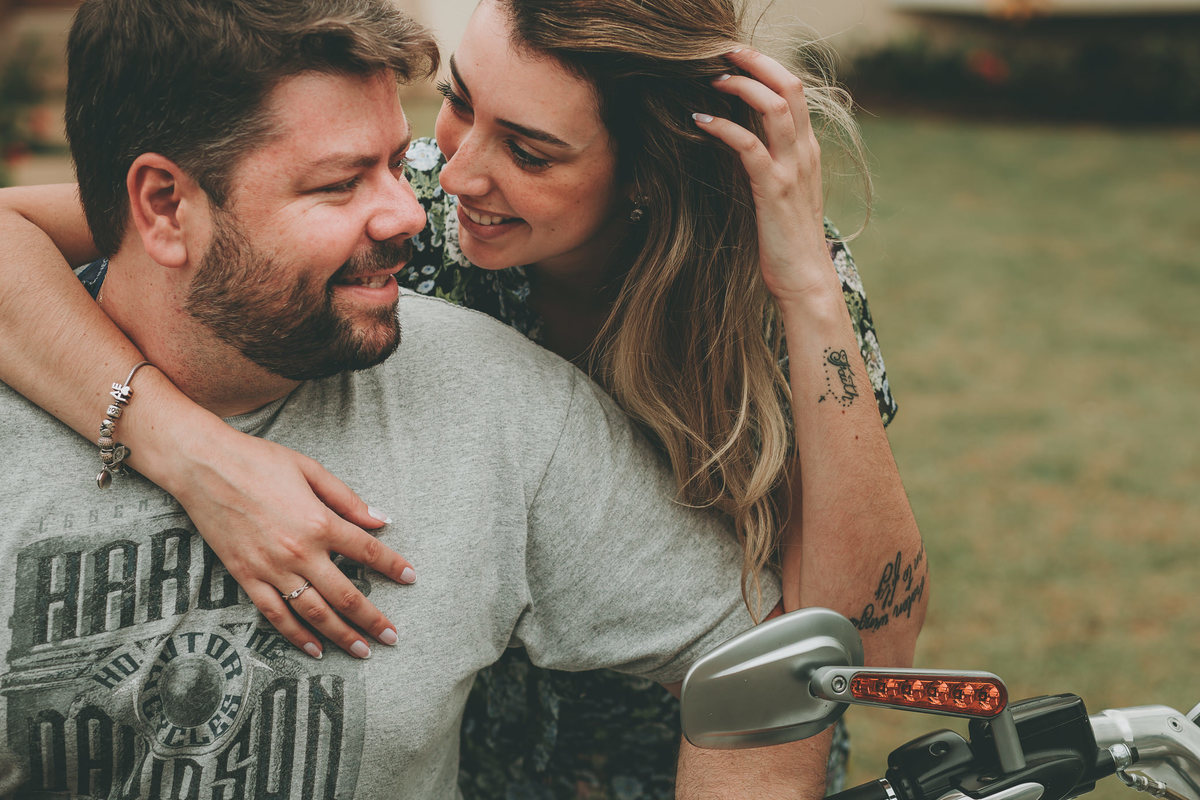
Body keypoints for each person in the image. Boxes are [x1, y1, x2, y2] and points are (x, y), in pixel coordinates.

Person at [0, 0, 928, 796]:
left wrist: (804, 287)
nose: (446, 176)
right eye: (456, 101)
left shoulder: (769, 296)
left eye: (528, 149)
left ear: (646, 174)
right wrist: (189, 448)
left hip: (678, 737)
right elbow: (113, 224)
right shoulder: (418, 199)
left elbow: (859, 658)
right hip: (467, 729)